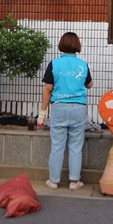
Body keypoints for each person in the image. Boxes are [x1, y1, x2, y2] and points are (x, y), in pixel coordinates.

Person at [37, 32, 93, 191]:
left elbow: (48, 88)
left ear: (62, 44)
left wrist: (42, 113)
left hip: (59, 107)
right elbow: (90, 85)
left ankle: (53, 181)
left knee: (57, 146)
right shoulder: (83, 65)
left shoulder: (54, 64)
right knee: (76, 146)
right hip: (78, 108)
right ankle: (74, 182)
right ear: (77, 46)